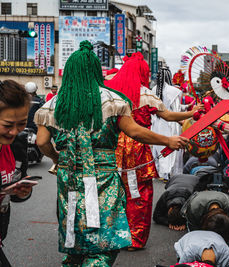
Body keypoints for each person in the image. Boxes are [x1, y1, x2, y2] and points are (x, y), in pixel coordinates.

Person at [35, 41, 188, 266]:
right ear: (96, 70)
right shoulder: (112, 100)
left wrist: (57, 159)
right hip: (103, 175)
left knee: (74, 229)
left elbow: (42, 142)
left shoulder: (54, 104)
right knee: (105, 242)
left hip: (68, 176)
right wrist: (168, 140)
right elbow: (135, 131)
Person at [104, 52, 200, 250]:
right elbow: (169, 116)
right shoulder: (145, 94)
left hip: (112, 148)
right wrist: (192, 112)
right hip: (137, 147)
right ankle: (135, 238)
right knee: (139, 194)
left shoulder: (110, 93)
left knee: (114, 193)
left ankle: (114, 236)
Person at [0, 80, 35, 266]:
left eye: (21, 123)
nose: (14, 131)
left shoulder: (17, 145)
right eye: (7, 125)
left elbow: (15, 183)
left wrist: (23, 191)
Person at [152, 67, 199, 180]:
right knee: (173, 149)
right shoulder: (175, 91)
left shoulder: (153, 90)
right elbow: (175, 110)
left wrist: (187, 106)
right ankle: (171, 173)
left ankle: (161, 172)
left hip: (158, 124)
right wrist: (190, 113)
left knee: (159, 147)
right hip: (171, 123)